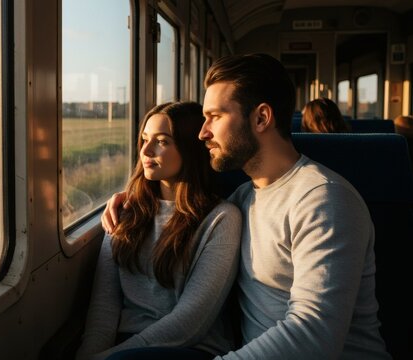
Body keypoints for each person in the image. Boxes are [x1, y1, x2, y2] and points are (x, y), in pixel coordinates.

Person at [102, 54, 391, 359]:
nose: (203, 133)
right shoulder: (242, 198)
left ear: (261, 118)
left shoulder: (324, 199)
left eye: (215, 116)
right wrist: (133, 197)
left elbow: (314, 335)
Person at [76, 102, 242, 360]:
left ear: (190, 149)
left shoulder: (221, 219)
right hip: (124, 347)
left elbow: (191, 321)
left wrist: (109, 358)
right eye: (144, 139)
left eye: (162, 141)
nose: (146, 150)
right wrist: (90, 355)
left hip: (190, 347)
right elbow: (104, 305)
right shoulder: (124, 211)